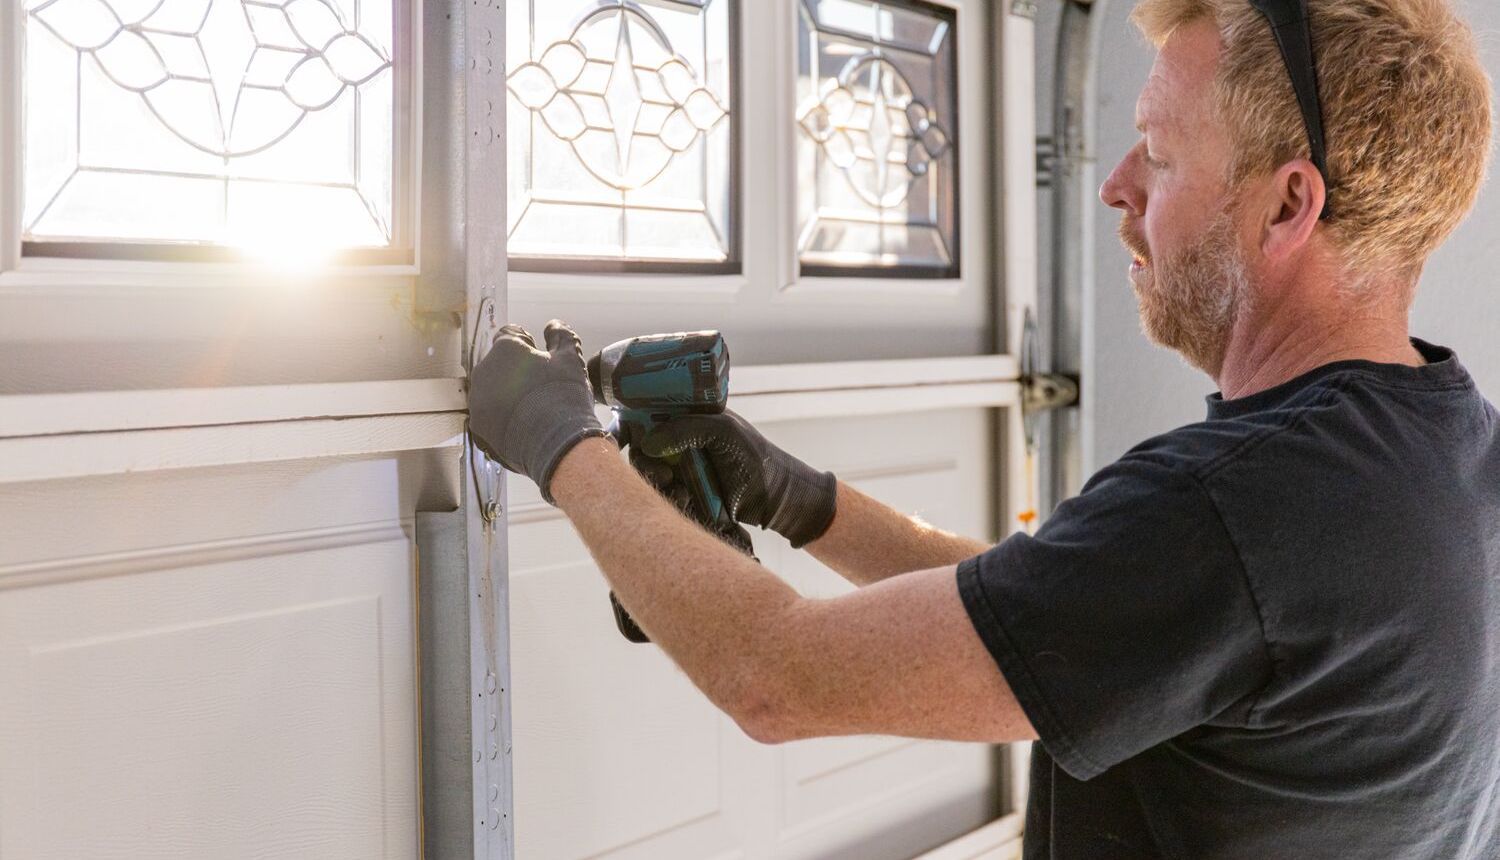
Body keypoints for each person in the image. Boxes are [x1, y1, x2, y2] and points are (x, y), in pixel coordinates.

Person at [468, 0, 1498, 855]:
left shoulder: (1235, 505)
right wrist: (797, 499)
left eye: (1159, 154)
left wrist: (560, 441)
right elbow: (1070, 604)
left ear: (1287, 207)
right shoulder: (1456, 452)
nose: (1116, 187)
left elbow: (773, 675)